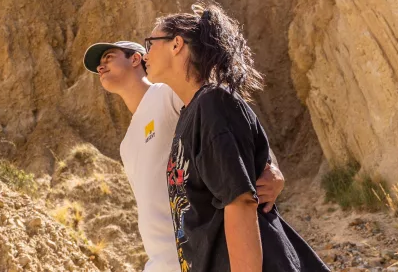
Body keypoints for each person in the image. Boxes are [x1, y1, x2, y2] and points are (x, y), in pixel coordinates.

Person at [143, 1, 328, 272]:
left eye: (151, 43)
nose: (146, 53)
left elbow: (239, 201)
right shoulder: (191, 113)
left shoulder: (213, 104)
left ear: (176, 44)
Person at [82, 40, 286, 272]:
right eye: (98, 65)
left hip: (203, 254)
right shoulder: (126, 144)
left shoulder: (166, 93)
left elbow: (230, 114)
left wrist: (271, 166)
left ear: (136, 58)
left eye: (108, 57)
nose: (100, 67)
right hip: (161, 262)